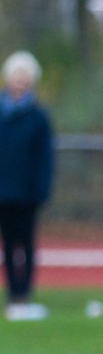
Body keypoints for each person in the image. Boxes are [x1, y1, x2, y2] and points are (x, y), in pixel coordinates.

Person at [0, 51, 54, 322]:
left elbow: (45, 158)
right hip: (3, 192)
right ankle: (12, 294)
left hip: (27, 193)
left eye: (24, 76)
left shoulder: (38, 117)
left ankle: (25, 294)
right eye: (15, 75)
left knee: (27, 244)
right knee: (8, 245)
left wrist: (41, 189)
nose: (19, 81)